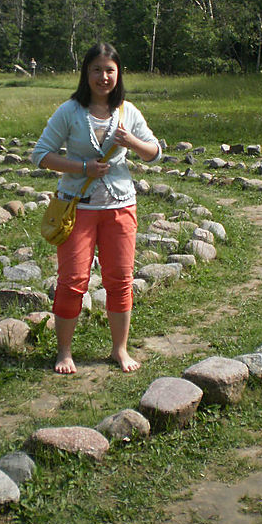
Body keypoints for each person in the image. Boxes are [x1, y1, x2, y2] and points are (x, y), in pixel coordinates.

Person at [32, 42, 161, 374]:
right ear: (86, 73)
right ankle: (64, 352)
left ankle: (120, 350)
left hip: (120, 207)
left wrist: (131, 142)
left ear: (118, 74)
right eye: (96, 69)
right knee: (73, 280)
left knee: (120, 280)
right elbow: (41, 154)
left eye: (109, 70)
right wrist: (82, 167)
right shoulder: (69, 111)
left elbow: (154, 152)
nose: (103, 77)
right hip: (77, 208)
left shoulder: (128, 112)